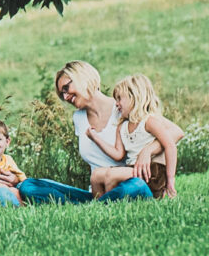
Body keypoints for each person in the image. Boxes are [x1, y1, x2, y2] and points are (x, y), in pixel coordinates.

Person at [54, 59, 154, 202]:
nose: (65, 97)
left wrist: (148, 151)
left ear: (82, 78)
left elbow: (172, 133)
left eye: (66, 88)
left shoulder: (124, 107)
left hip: (129, 184)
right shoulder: (78, 118)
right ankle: (101, 203)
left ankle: (95, 206)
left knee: (135, 186)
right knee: (30, 186)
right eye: (61, 94)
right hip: (97, 191)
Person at [110, 72, 185, 198]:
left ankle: (102, 202)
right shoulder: (124, 125)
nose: (116, 104)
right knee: (104, 175)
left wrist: (170, 180)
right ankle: (105, 201)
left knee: (109, 175)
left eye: (119, 98)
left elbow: (173, 142)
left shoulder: (150, 121)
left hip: (151, 174)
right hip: (136, 171)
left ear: (134, 97)